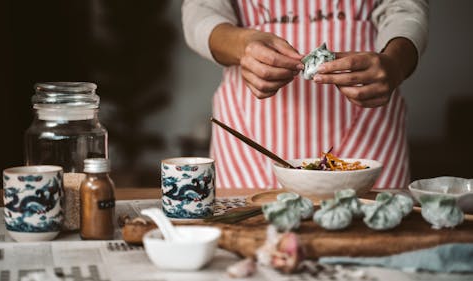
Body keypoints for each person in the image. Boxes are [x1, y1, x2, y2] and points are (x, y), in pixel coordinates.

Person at [182, 0, 428, 189]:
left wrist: (394, 63)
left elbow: (405, 8)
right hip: (249, 139)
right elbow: (199, 11)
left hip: (370, 134)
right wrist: (243, 43)